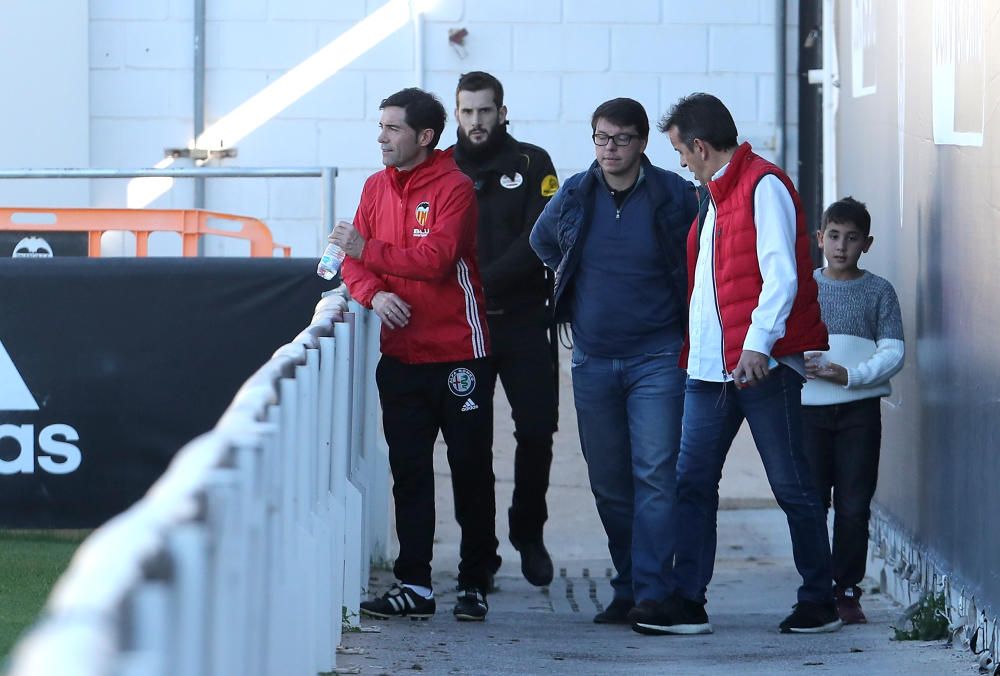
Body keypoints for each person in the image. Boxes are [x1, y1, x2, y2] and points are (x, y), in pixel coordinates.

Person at [634, 93, 841, 636]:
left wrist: (757, 345)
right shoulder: (716, 198)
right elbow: (712, 290)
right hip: (709, 371)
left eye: (680, 150)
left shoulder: (762, 185)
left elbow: (783, 277)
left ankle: (820, 601)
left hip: (761, 367)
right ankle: (688, 602)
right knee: (691, 483)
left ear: (700, 146)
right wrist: (698, 357)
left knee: (793, 485)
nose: (679, 162)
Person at [332, 87, 499, 622]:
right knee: (408, 471)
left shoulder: (455, 189)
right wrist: (373, 294)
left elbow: (434, 260)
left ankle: (474, 581)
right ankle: (415, 585)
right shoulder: (374, 187)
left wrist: (364, 251)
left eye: (393, 128)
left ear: (424, 137)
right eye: (380, 126)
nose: (381, 137)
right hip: (401, 357)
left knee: (469, 467)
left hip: (459, 355)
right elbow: (349, 264)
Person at [530, 98, 698, 625]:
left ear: (643, 142)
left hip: (658, 356)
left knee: (654, 474)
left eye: (621, 139)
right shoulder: (577, 193)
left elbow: (704, 252)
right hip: (593, 358)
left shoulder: (675, 195)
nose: (610, 149)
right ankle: (627, 585)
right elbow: (541, 242)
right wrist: (574, 280)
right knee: (609, 481)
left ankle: (651, 590)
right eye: (601, 138)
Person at [450, 71, 560, 588]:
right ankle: (480, 557)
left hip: (522, 322)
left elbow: (540, 237)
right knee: (470, 444)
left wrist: (480, 282)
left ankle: (528, 531)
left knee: (537, 431)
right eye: (468, 111)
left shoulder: (532, 163)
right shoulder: (439, 168)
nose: (477, 121)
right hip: (461, 329)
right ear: (456, 115)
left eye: (485, 111)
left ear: (502, 111)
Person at [801, 196, 905, 625]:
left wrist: (850, 375)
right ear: (819, 238)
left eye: (853, 238)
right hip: (808, 411)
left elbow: (894, 350)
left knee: (853, 503)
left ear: (868, 243)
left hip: (859, 412)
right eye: (835, 236)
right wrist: (799, 362)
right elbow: (777, 338)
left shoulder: (879, 292)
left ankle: (846, 589)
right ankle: (813, 588)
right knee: (809, 502)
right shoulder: (801, 287)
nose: (842, 246)